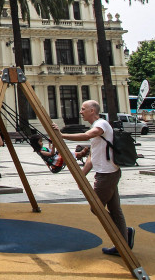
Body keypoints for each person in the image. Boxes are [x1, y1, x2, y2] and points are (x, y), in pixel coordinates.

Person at [52, 100, 135, 256]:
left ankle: (122, 233)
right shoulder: (97, 125)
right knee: (115, 210)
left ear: (92, 110)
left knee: (96, 208)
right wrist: (82, 174)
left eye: (83, 109)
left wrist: (61, 135)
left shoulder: (101, 124)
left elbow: (87, 135)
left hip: (107, 174)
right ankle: (123, 241)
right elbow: (92, 155)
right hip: (108, 172)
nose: (80, 112)